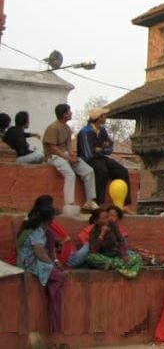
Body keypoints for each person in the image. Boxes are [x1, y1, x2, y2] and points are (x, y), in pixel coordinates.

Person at [16, 196, 66, 333]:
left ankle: (54, 319)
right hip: (30, 262)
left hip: (33, 260)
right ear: (47, 219)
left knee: (58, 276)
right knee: (60, 277)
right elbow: (39, 252)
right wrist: (52, 265)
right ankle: (54, 325)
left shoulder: (36, 224)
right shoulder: (36, 228)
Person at [43, 104, 98, 212]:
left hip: (65, 155)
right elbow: (52, 148)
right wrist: (68, 158)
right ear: (64, 115)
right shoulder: (53, 128)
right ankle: (70, 202)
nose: (71, 113)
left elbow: (68, 144)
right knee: (70, 174)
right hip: (53, 156)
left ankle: (89, 201)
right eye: (69, 111)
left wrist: (73, 155)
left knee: (88, 171)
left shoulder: (67, 128)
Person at [76, 108, 131, 205]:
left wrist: (100, 149)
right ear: (99, 117)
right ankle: (97, 201)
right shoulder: (85, 132)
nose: (105, 117)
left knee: (122, 171)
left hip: (101, 158)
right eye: (103, 115)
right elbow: (89, 152)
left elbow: (109, 147)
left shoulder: (102, 130)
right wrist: (102, 148)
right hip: (88, 160)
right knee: (102, 171)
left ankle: (124, 202)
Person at [86, 205, 142, 278]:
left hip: (116, 255)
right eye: (103, 218)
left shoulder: (112, 224)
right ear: (96, 221)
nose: (107, 220)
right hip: (104, 257)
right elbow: (93, 250)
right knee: (90, 258)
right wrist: (101, 234)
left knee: (137, 257)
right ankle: (123, 267)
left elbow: (120, 240)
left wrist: (123, 254)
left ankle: (115, 266)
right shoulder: (93, 231)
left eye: (107, 217)